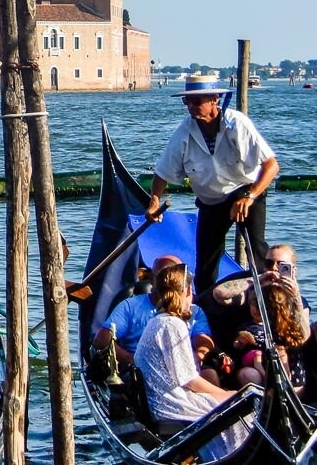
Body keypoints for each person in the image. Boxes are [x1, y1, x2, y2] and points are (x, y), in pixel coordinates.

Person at [147, 73, 279, 294]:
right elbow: (162, 173)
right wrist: (154, 200)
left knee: (257, 251)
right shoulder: (184, 132)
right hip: (210, 201)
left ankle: (266, 299)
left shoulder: (237, 124)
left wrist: (250, 196)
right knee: (206, 265)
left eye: (196, 101)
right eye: (186, 101)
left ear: (214, 99)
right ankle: (207, 313)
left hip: (245, 192)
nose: (190, 106)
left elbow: (271, 165)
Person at [134, 263, 251, 459]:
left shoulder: (158, 320)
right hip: (171, 404)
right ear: (188, 290)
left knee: (236, 400)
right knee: (242, 406)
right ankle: (232, 457)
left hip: (163, 398)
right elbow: (189, 379)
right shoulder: (173, 325)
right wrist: (226, 394)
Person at [92, 255, 219, 382]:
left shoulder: (194, 310)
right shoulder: (130, 306)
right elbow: (101, 340)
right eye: (163, 277)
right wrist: (131, 360)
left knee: (210, 374)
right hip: (141, 369)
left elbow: (203, 340)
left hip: (183, 365)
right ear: (152, 280)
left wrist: (198, 356)